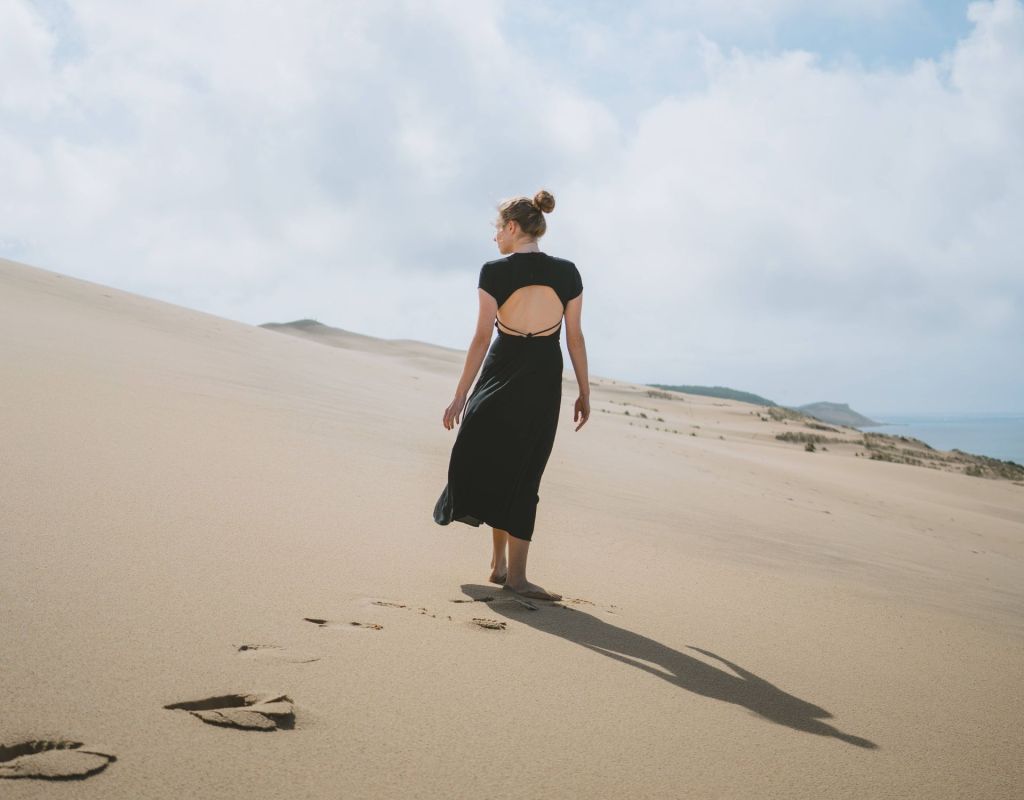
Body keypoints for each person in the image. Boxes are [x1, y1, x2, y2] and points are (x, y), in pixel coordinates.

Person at [432, 188, 590, 602]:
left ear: (513, 228)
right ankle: (504, 569)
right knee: (524, 470)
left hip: (500, 372)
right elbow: (574, 338)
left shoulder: (493, 272)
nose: (495, 237)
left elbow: (483, 336)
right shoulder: (568, 272)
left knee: (499, 462)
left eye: (498, 229)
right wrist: (584, 392)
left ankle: (512, 573)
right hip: (542, 376)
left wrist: (460, 395)